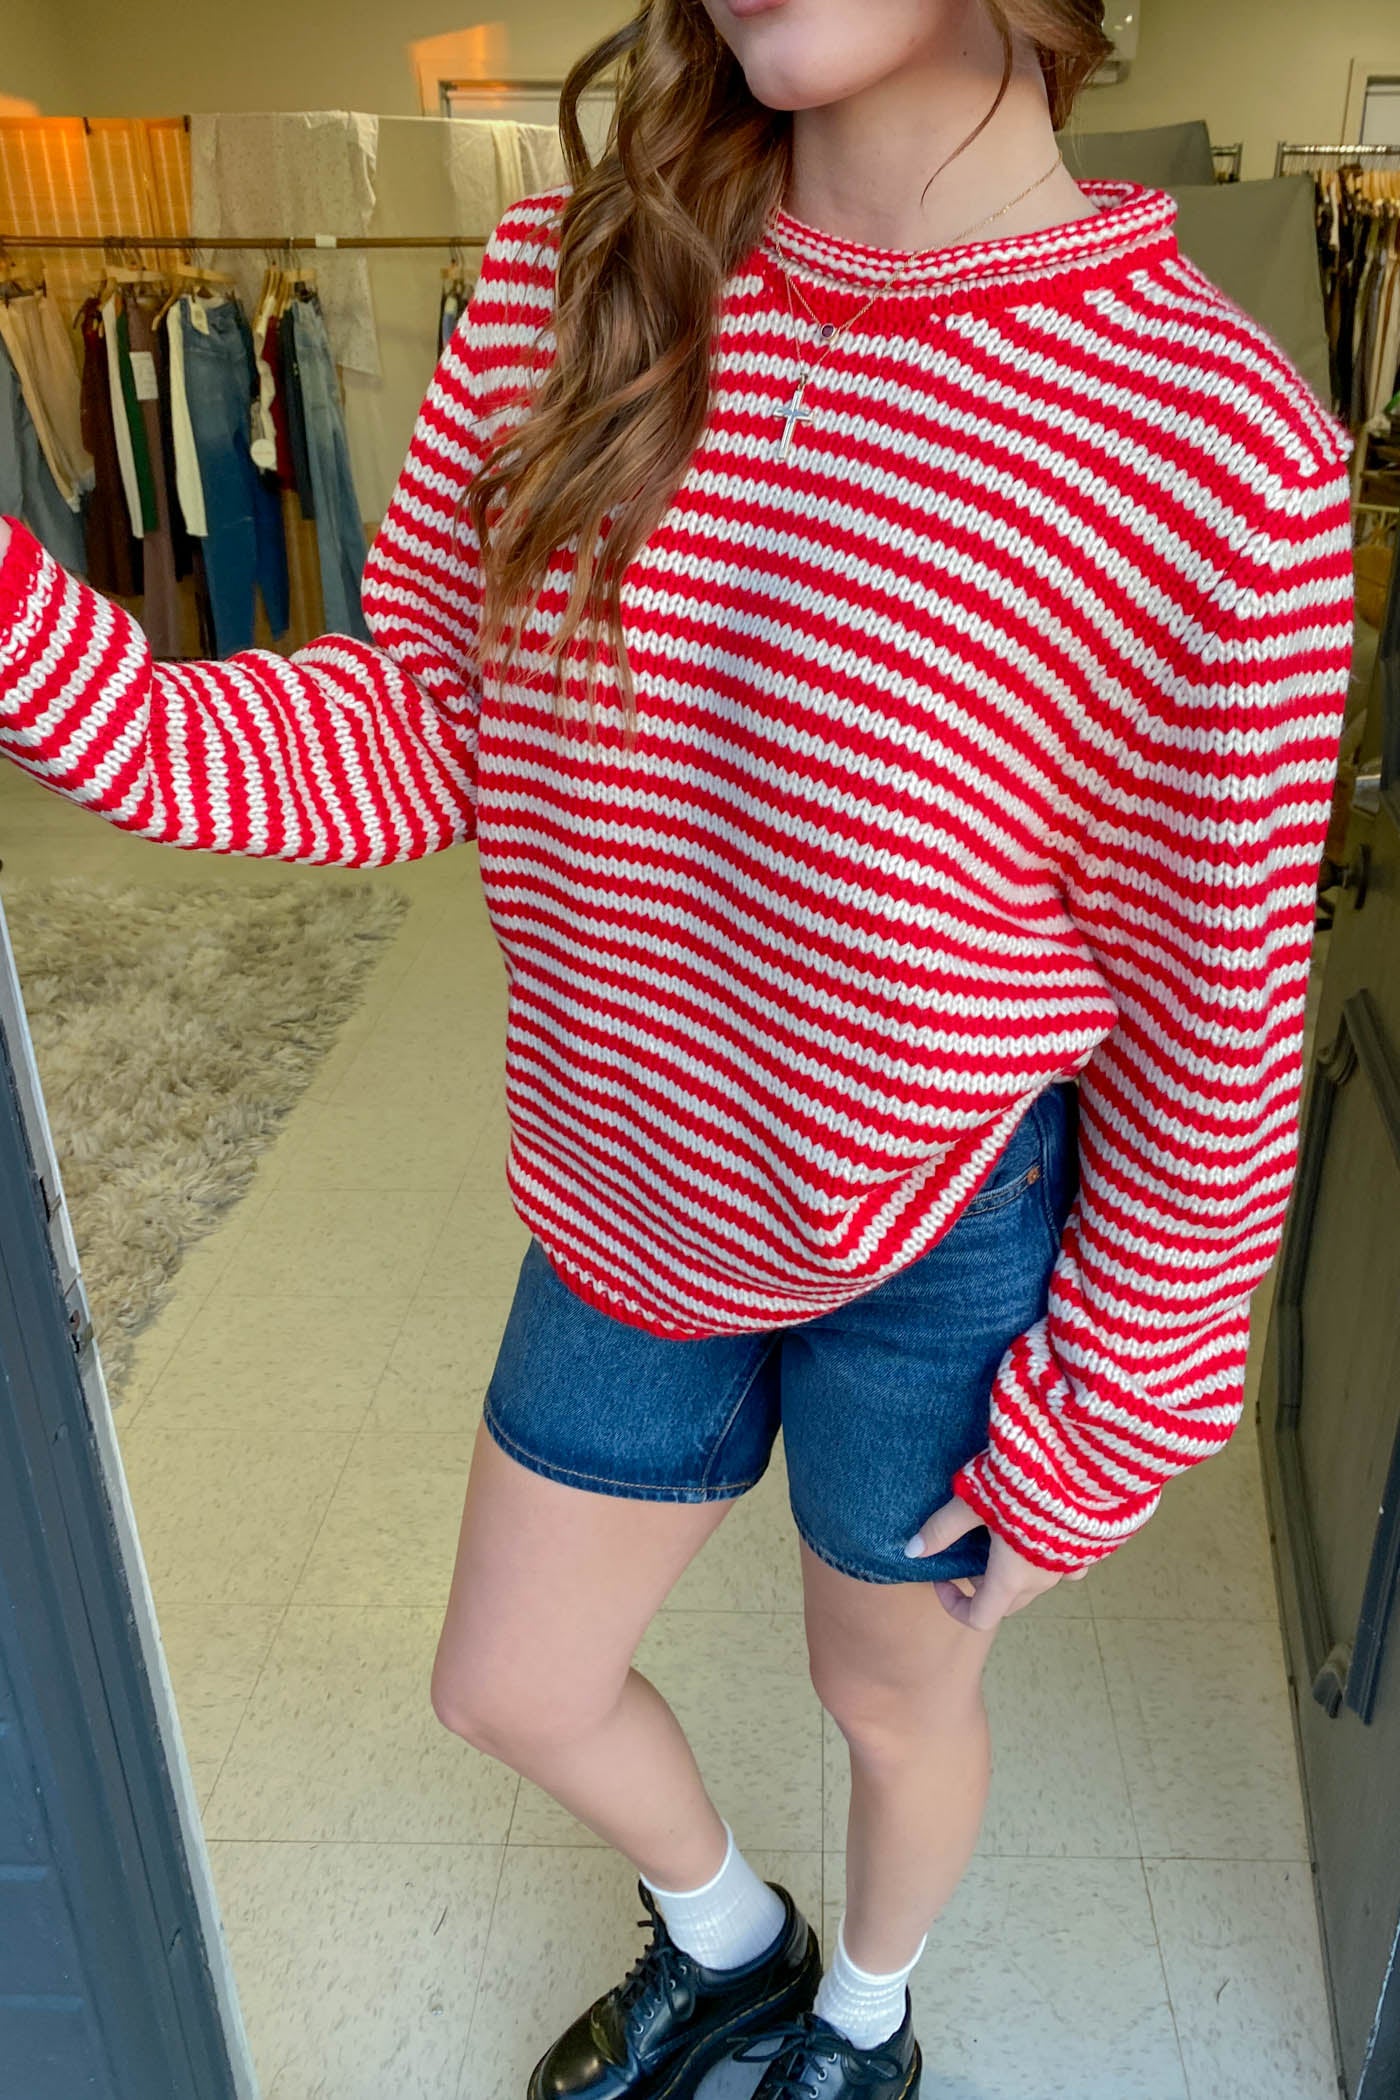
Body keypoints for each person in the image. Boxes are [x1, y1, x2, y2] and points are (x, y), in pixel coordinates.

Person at [0, 2, 1357, 2095]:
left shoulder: (1215, 441)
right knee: (509, 1679)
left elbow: (1211, 1023)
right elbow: (399, 728)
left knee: (890, 1696)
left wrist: (1117, 1412)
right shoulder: (575, 283)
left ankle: (864, 2025)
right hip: (631, 1182)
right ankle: (729, 1942)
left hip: (947, 1219)